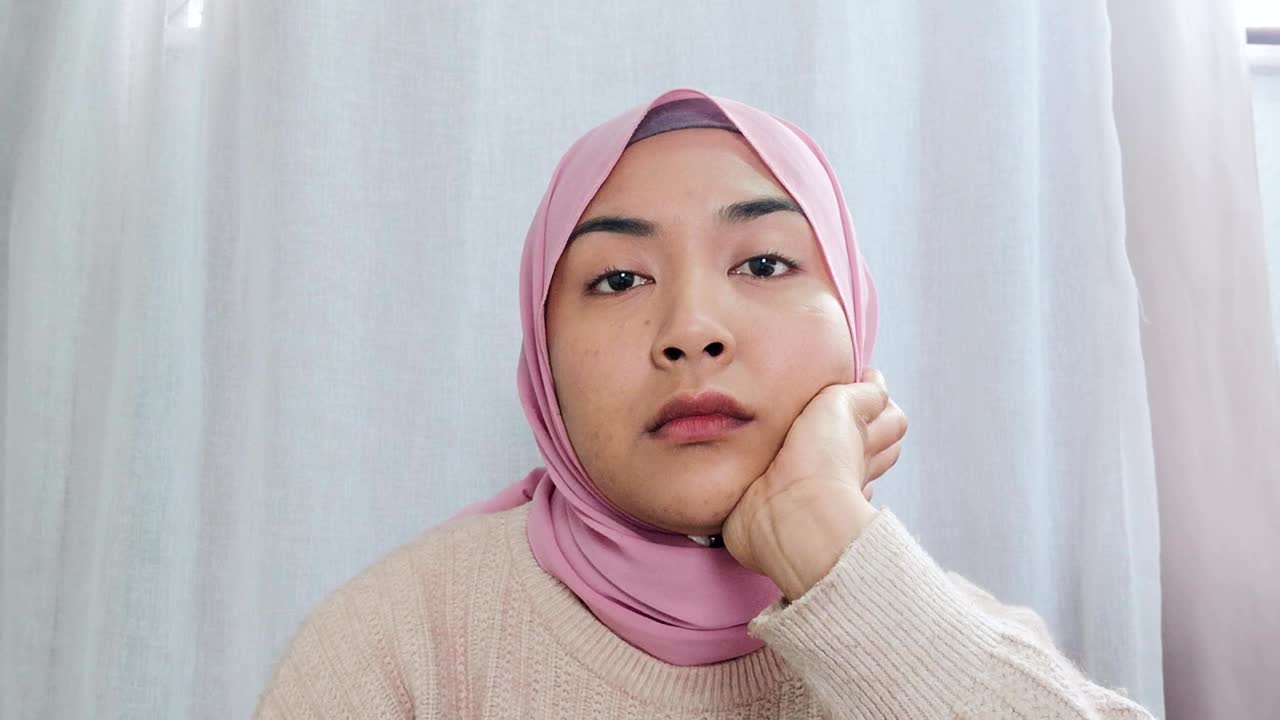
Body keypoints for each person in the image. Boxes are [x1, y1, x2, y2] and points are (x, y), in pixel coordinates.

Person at [254, 88, 1157, 718]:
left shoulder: (958, 643)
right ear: (541, 357)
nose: (691, 329)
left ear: (855, 318)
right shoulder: (395, 652)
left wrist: (825, 538)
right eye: (616, 278)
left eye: (764, 264)